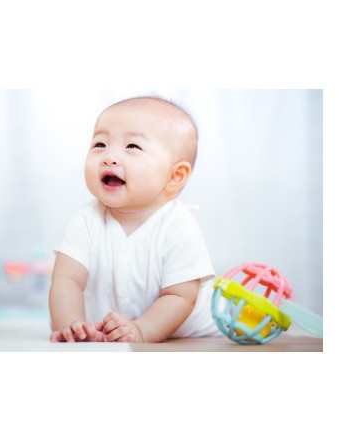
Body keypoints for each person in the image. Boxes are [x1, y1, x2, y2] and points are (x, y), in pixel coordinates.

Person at [49, 96, 218, 343]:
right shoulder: (85, 220)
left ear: (175, 176)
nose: (108, 157)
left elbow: (180, 296)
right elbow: (66, 280)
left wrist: (141, 330)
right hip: (108, 334)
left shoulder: (179, 225)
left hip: (188, 335)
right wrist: (70, 325)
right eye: (100, 144)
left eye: (132, 147)